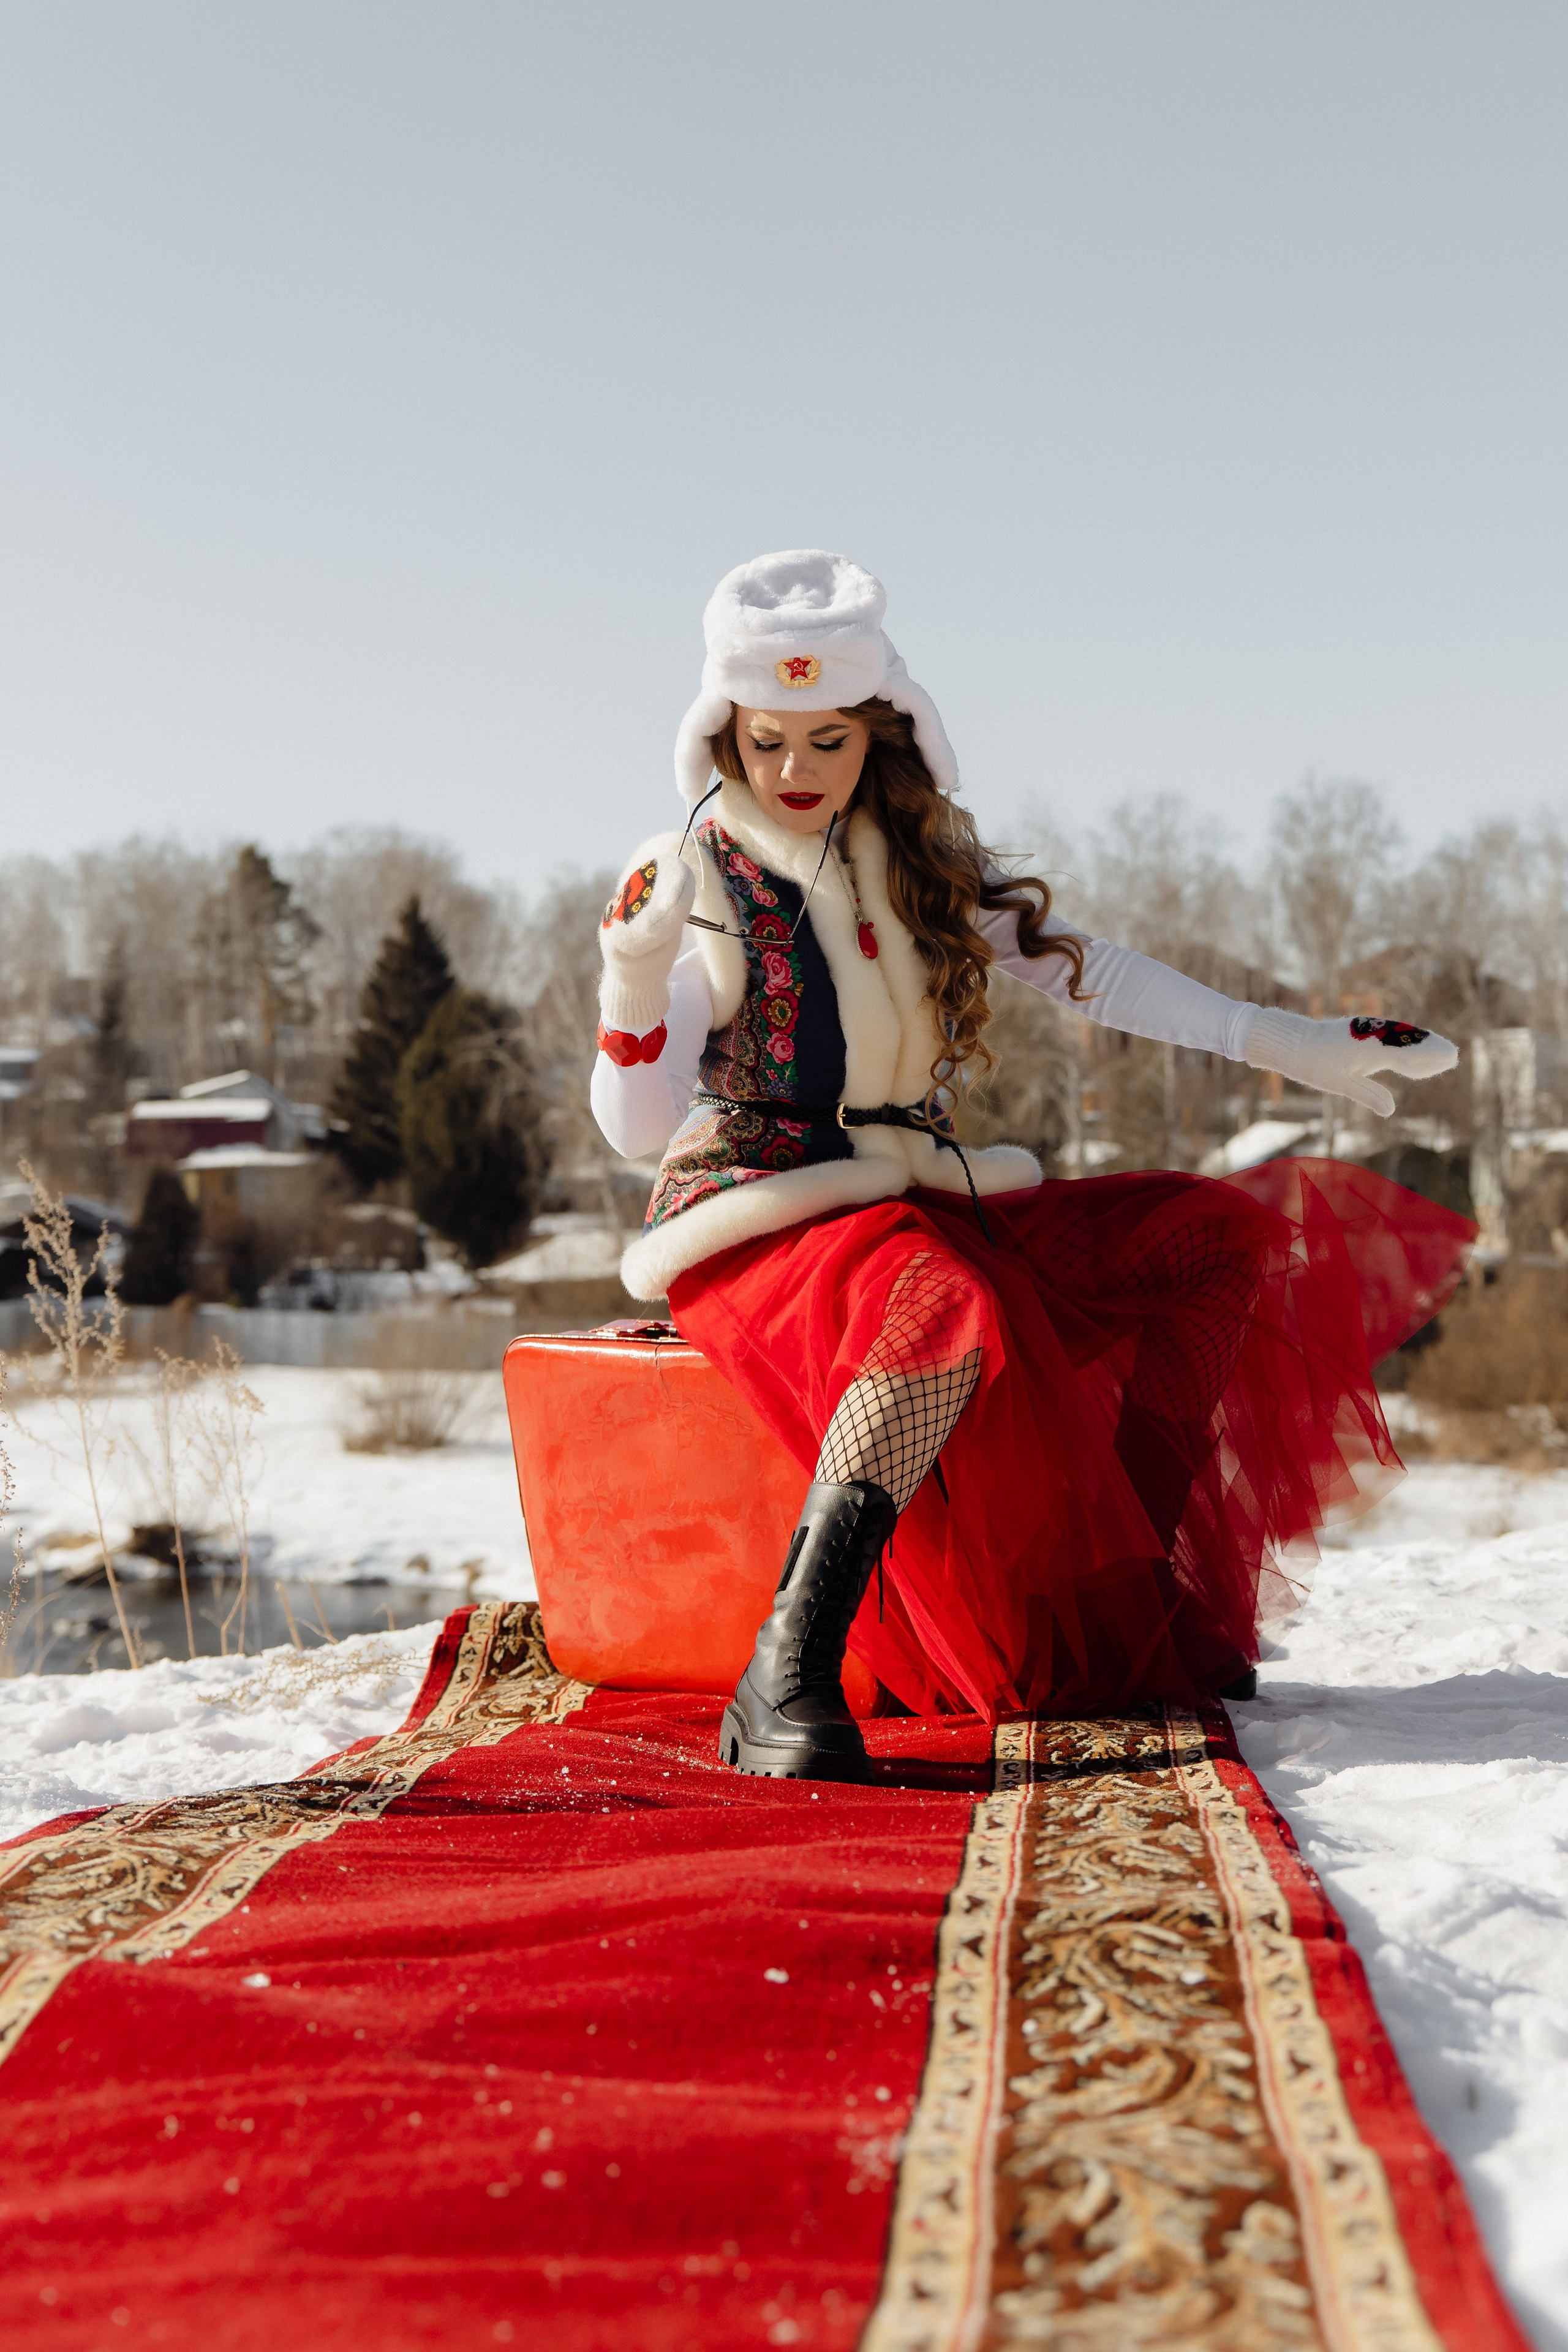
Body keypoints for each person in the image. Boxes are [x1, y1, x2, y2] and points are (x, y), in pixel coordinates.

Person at [590, 549, 1469, 1780]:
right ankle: (784, 1663)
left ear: (877, 735)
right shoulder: (691, 878)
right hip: (760, 1217)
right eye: (768, 741)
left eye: (827, 740)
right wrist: (631, 978)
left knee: (1209, 1236)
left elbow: (1083, 966)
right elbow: (633, 1123)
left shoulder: (914, 858)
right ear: (723, 735)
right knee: (939, 1301)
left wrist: (1280, 1041)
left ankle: (1128, 1589)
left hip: (913, 1197)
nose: (795, 773)